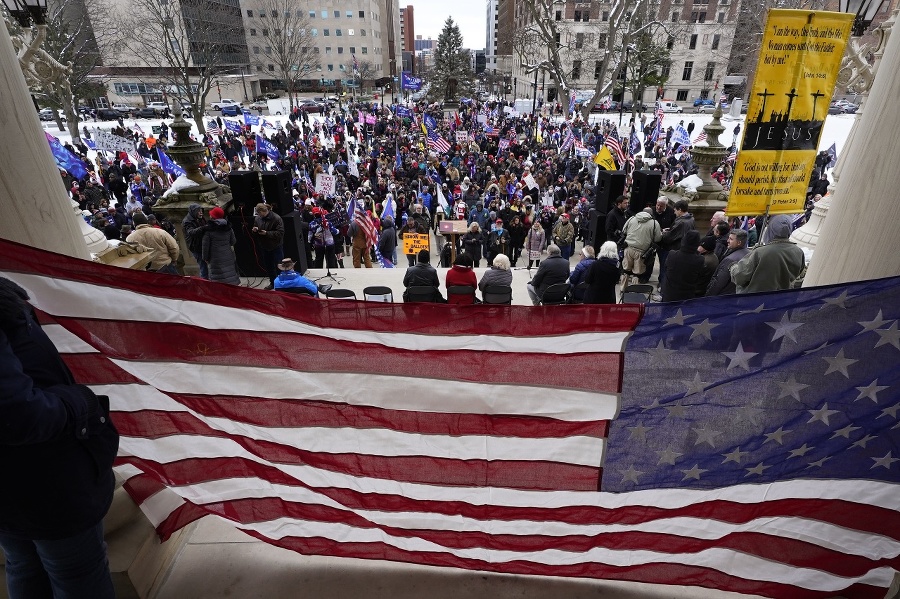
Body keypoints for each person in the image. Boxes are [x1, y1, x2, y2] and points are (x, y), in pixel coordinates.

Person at [0, 277, 119, 599]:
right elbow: (16, 415)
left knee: (23, 562)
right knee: (75, 573)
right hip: (42, 481)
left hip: (25, 483)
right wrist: (81, 401)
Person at [730, 214, 806, 293]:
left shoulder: (760, 252)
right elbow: (798, 274)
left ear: (771, 229)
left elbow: (739, 277)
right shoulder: (799, 252)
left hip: (755, 300)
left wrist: (733, 266)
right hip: (780, 298)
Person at [658, 199, 694, 288]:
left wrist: (664, 233)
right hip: (681, 249)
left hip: (673, 249)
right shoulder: (691, 219)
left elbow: (669, 237)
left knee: (666, 270)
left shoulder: (681, 222)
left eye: (675, 210)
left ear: (680, 210)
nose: (674, 213)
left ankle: (663, 289)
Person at [660, 230, 704, 302]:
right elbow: (699, 275)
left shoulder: (672, 254)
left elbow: (666, 268)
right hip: (686, 295)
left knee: (666, 312)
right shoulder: (699, 260)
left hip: (669, 293)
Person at [202, 206, 240, 285]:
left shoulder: (209, 230)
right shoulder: (228, 227)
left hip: (215, 258)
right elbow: (233, 241)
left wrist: (205, 258)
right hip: (228, 255)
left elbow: (205, 246)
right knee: (230, 276)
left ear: (213, 216)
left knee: (218, 279)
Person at [621, 207, 662, 279]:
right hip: (642, 252)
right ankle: (633, 289)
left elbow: (624, 231)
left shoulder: (631, 219)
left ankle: (622, 289)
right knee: (637, 273)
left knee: (625, 270)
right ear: (651, 214)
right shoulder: (655, 223)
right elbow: (657, 239)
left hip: (628, 248)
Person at [250, 203, 285, 289]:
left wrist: (267, 233)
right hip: (264, 246)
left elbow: (280, 233)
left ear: (264, 211)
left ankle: (282, 284)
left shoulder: (277, 218)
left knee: (279, 265)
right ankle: (273, 283)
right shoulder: (258, 219)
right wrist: (255, 230)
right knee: (269, 266)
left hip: (276, 246)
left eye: (260, 213)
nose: (258, 215)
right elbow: (255, 232)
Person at [706, 229, 750, 296]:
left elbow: (719, 283)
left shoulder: (730, 259)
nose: (727, 241)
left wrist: (708, 296)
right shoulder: (750, 254)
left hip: (724, 297)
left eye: (731, 239)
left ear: (739, 243)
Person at [182, 203, 209, 279]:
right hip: (196, 247)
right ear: (194, 212)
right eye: (199, 211)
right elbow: (191, 232)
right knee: (203, 267)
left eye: (201, 211)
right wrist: (203, 228)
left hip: (203, 245)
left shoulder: (200, 218)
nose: (201, 213)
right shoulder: (187, 221)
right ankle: (205, 283)